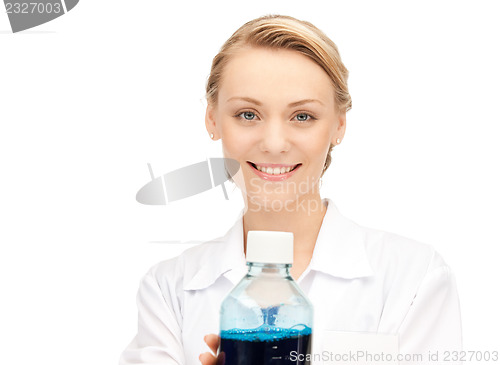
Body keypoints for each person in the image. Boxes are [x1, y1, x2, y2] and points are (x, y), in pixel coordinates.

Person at [119, 14, 462, 365]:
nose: (274, 144)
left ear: (339, 125)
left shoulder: (414, 278)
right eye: (248, 114)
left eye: (302, 117)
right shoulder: (169, 289)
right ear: (212, 118)